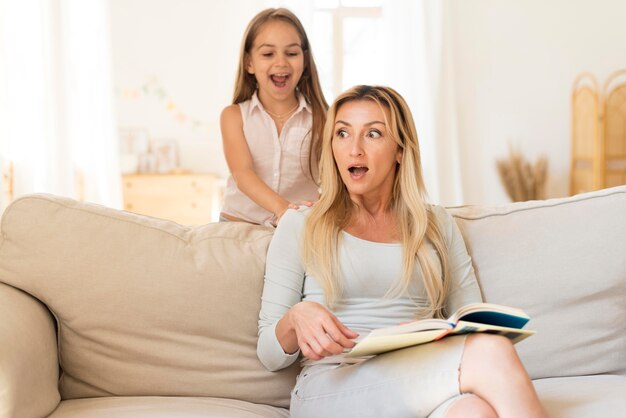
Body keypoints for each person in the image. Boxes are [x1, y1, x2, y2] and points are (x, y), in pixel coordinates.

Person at [257, 85, 548, 418]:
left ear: (400, 150)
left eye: (373, 134)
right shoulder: (301, 224)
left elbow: (471, 319)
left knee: (475, 412)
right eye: (342, 133)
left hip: (418, 373)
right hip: (333, 385)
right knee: (491, 352)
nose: (355, 149)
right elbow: (269, 353)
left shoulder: (436, 224)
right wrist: (296, 318)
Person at [220, 8, 328, 227]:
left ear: (305, 61)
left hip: (299, 227)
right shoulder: (233, 116)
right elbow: (242, 173)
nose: (281, 63)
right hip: (239, 225)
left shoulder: (325, 118)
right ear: (249, 63)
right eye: (268, 54)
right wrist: (285, 210)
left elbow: (333, 177)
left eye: (291, 53)